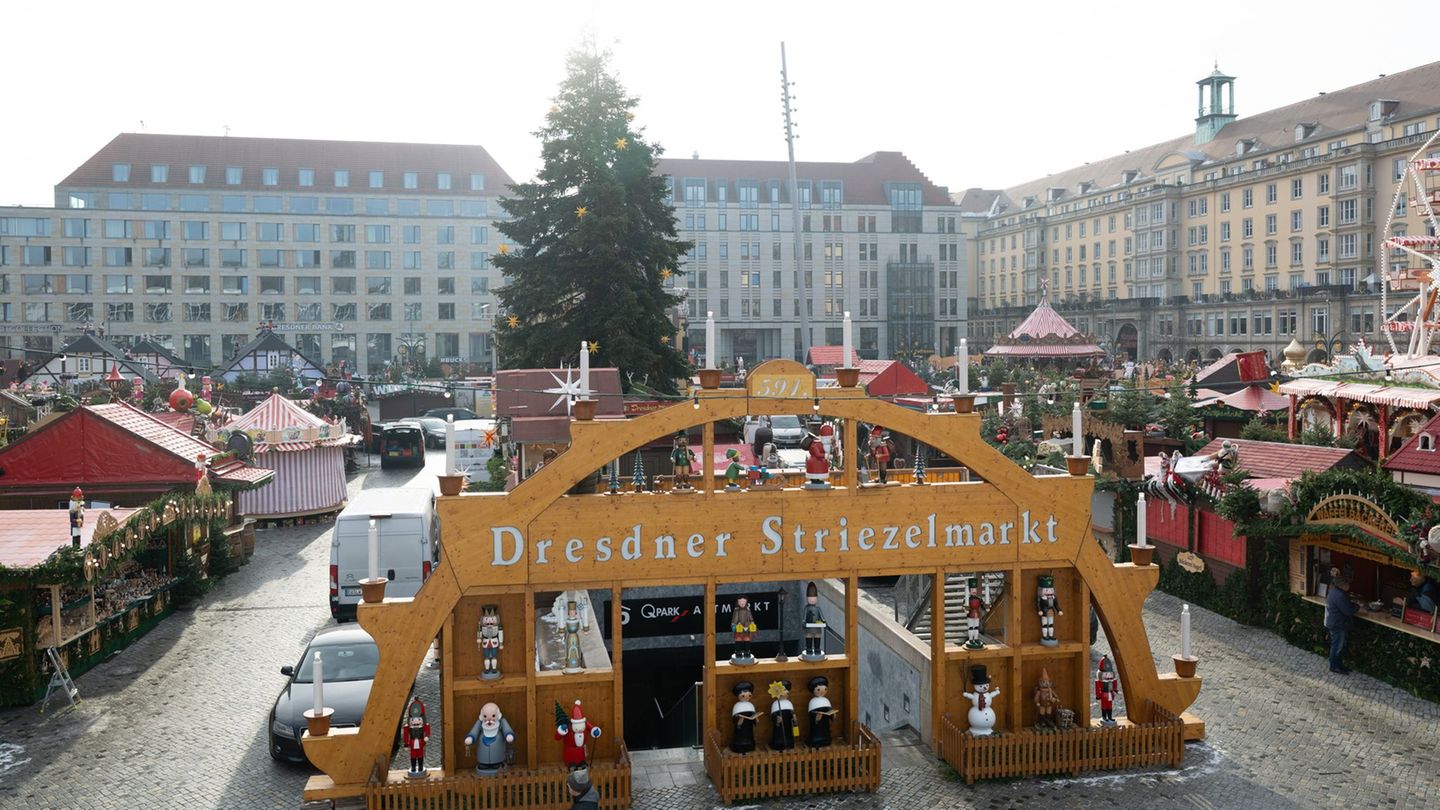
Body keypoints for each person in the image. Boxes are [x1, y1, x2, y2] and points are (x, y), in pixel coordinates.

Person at [1324, 575, 1358, 674]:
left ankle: (1338, 665)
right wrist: (1357, 606)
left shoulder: (1334, 592)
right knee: (1337, 646)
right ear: (1342, 585)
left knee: (1338, 646)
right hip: (1338, 624)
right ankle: (1334, 666)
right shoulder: (1339, 595)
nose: (1349, 586)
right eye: (1348, 584)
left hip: (1334, 622)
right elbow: (1348, 611)